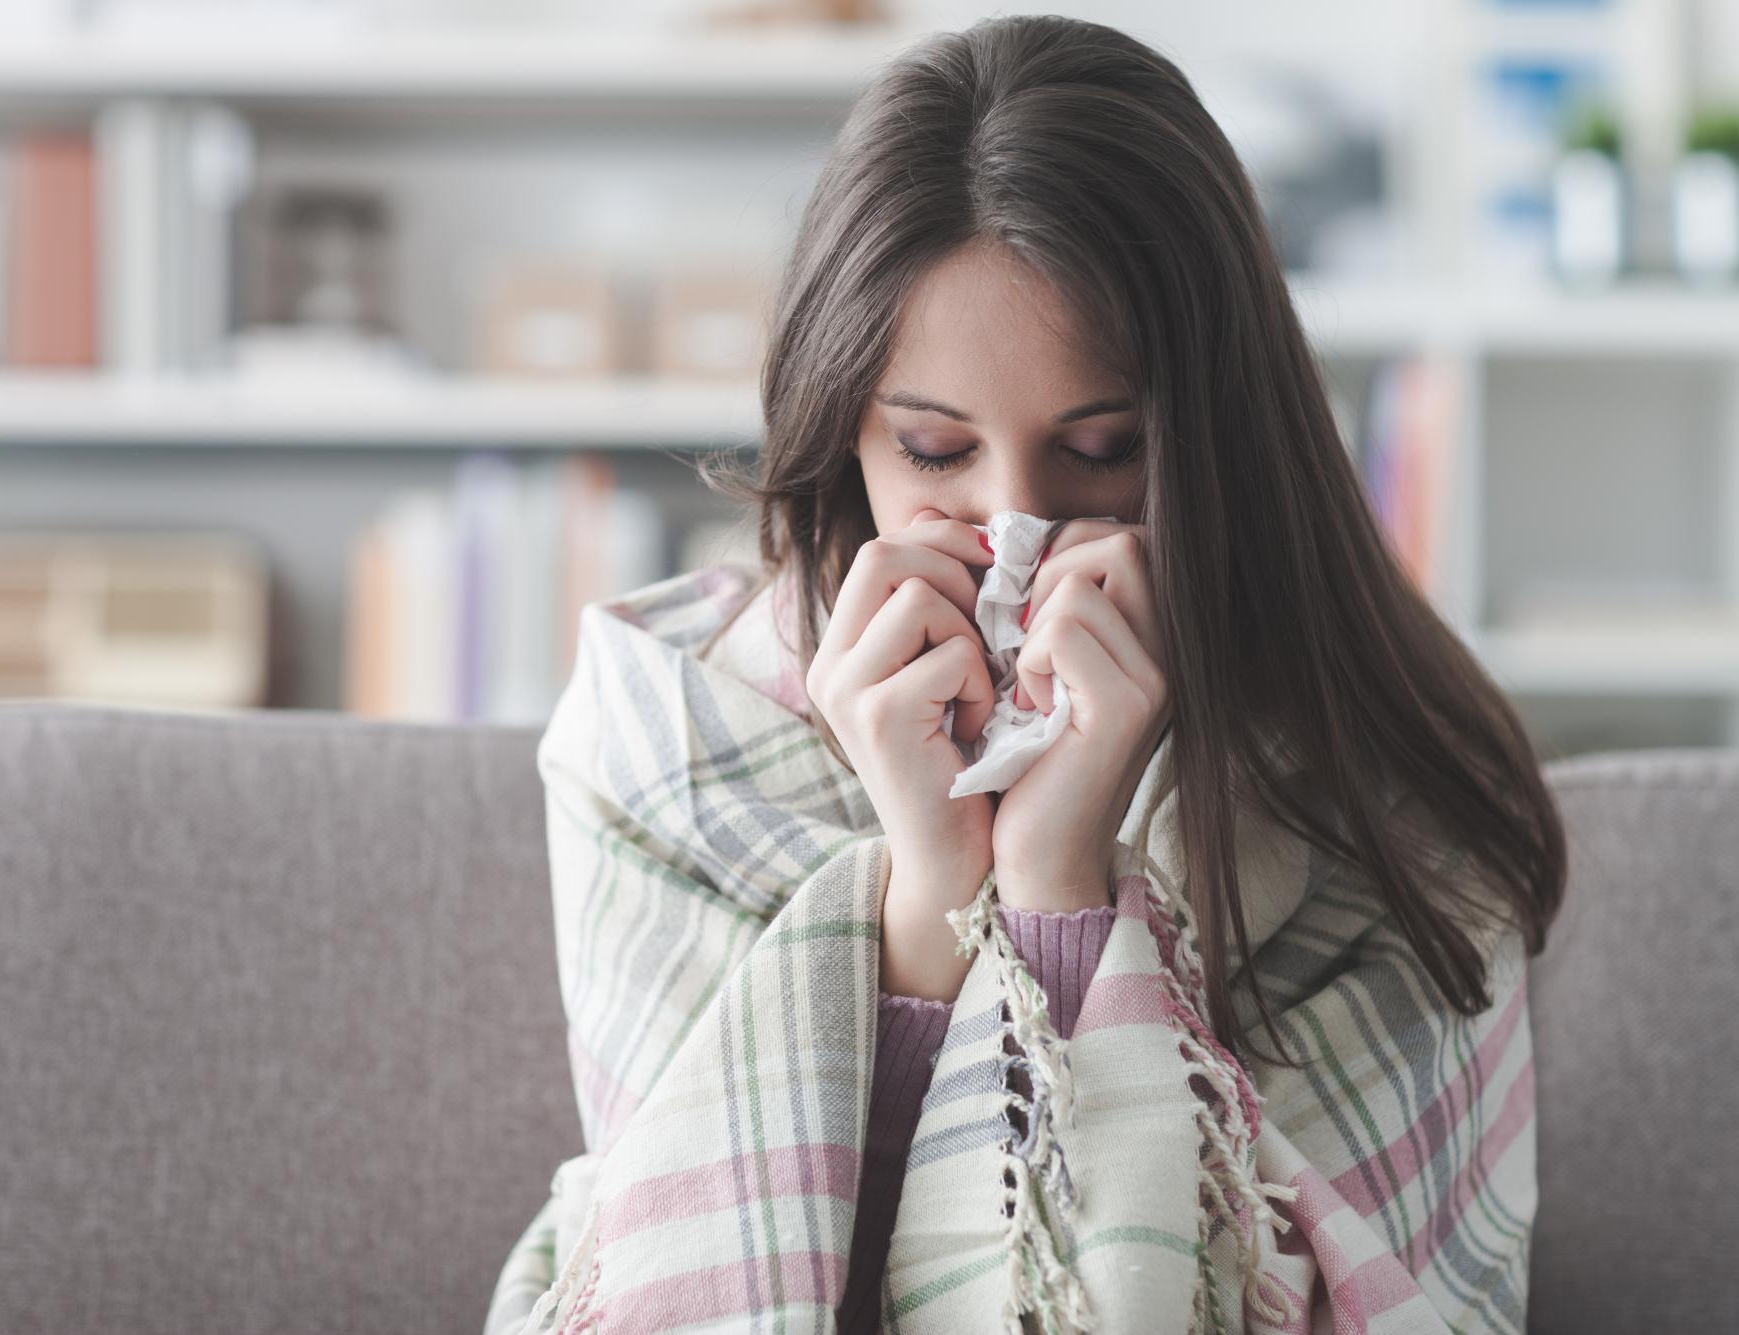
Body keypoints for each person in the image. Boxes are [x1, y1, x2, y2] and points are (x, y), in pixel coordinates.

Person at [486, 15, 1564, 1334]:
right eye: (937, 452)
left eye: (1103, 452)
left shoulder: (1374, 776)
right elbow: (719, 1272)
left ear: (1213, 438)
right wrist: (929, 894)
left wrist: (1061, 887)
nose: (1017, 537)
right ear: (843, 437)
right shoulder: (667, 731)